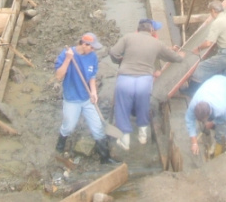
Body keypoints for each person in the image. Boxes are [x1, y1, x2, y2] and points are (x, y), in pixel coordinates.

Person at [109, 19, 185, 150]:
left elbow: (113, 53)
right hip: (144, 81)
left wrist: (120, 60)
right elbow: (173, 57)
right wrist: (181, 56)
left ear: (138, 29)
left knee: (122, 108)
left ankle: (125, 140)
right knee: (143, 106)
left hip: (125, 79)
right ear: (151, 30)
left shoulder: (128, 37)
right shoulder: (157, 43)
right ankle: (143, 136)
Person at [54, 32, 117, 164]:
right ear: (83, 44)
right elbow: (59, 76)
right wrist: (67, 60)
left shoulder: (92, 57)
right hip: (71, 98)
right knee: (69, 126)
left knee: (98, 128)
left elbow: (92, 76)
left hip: (87, 98)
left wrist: (93, 92)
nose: (93, 50)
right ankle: (59, 147)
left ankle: (105, 158)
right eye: (91, 47)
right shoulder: (67, 54)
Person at [185, 0, 226, 95]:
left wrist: (198, 49)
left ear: (213, 11)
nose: (210, 14)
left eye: (210, 12)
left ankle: (192, 92)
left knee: (201, 68)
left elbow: (208, 43)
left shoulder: (217, 22)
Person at [185, 75, 226, 157]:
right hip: (215, 82)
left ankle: (219, 148)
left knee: (223, 127)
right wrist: (194, 143)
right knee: (210, 123)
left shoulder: (221, 108)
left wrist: (214, 122)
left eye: (204, 120)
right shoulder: (194, 104)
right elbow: (189, 120)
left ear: (209, 112)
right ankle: (212, 131)